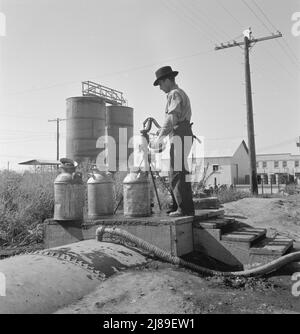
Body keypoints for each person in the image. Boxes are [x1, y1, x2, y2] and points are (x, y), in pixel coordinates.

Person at [151, 66, 195, 217]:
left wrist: (159, 138)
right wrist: (161, 132)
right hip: (182, 132)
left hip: (181, 133)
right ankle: (179, 206)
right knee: (178, 171)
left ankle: (183, 209)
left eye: (161, 84)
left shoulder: (174, 93)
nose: (160, 88)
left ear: (167, 80)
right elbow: (172, 121)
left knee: (177, 171)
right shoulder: (179, 93)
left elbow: (172, 118)